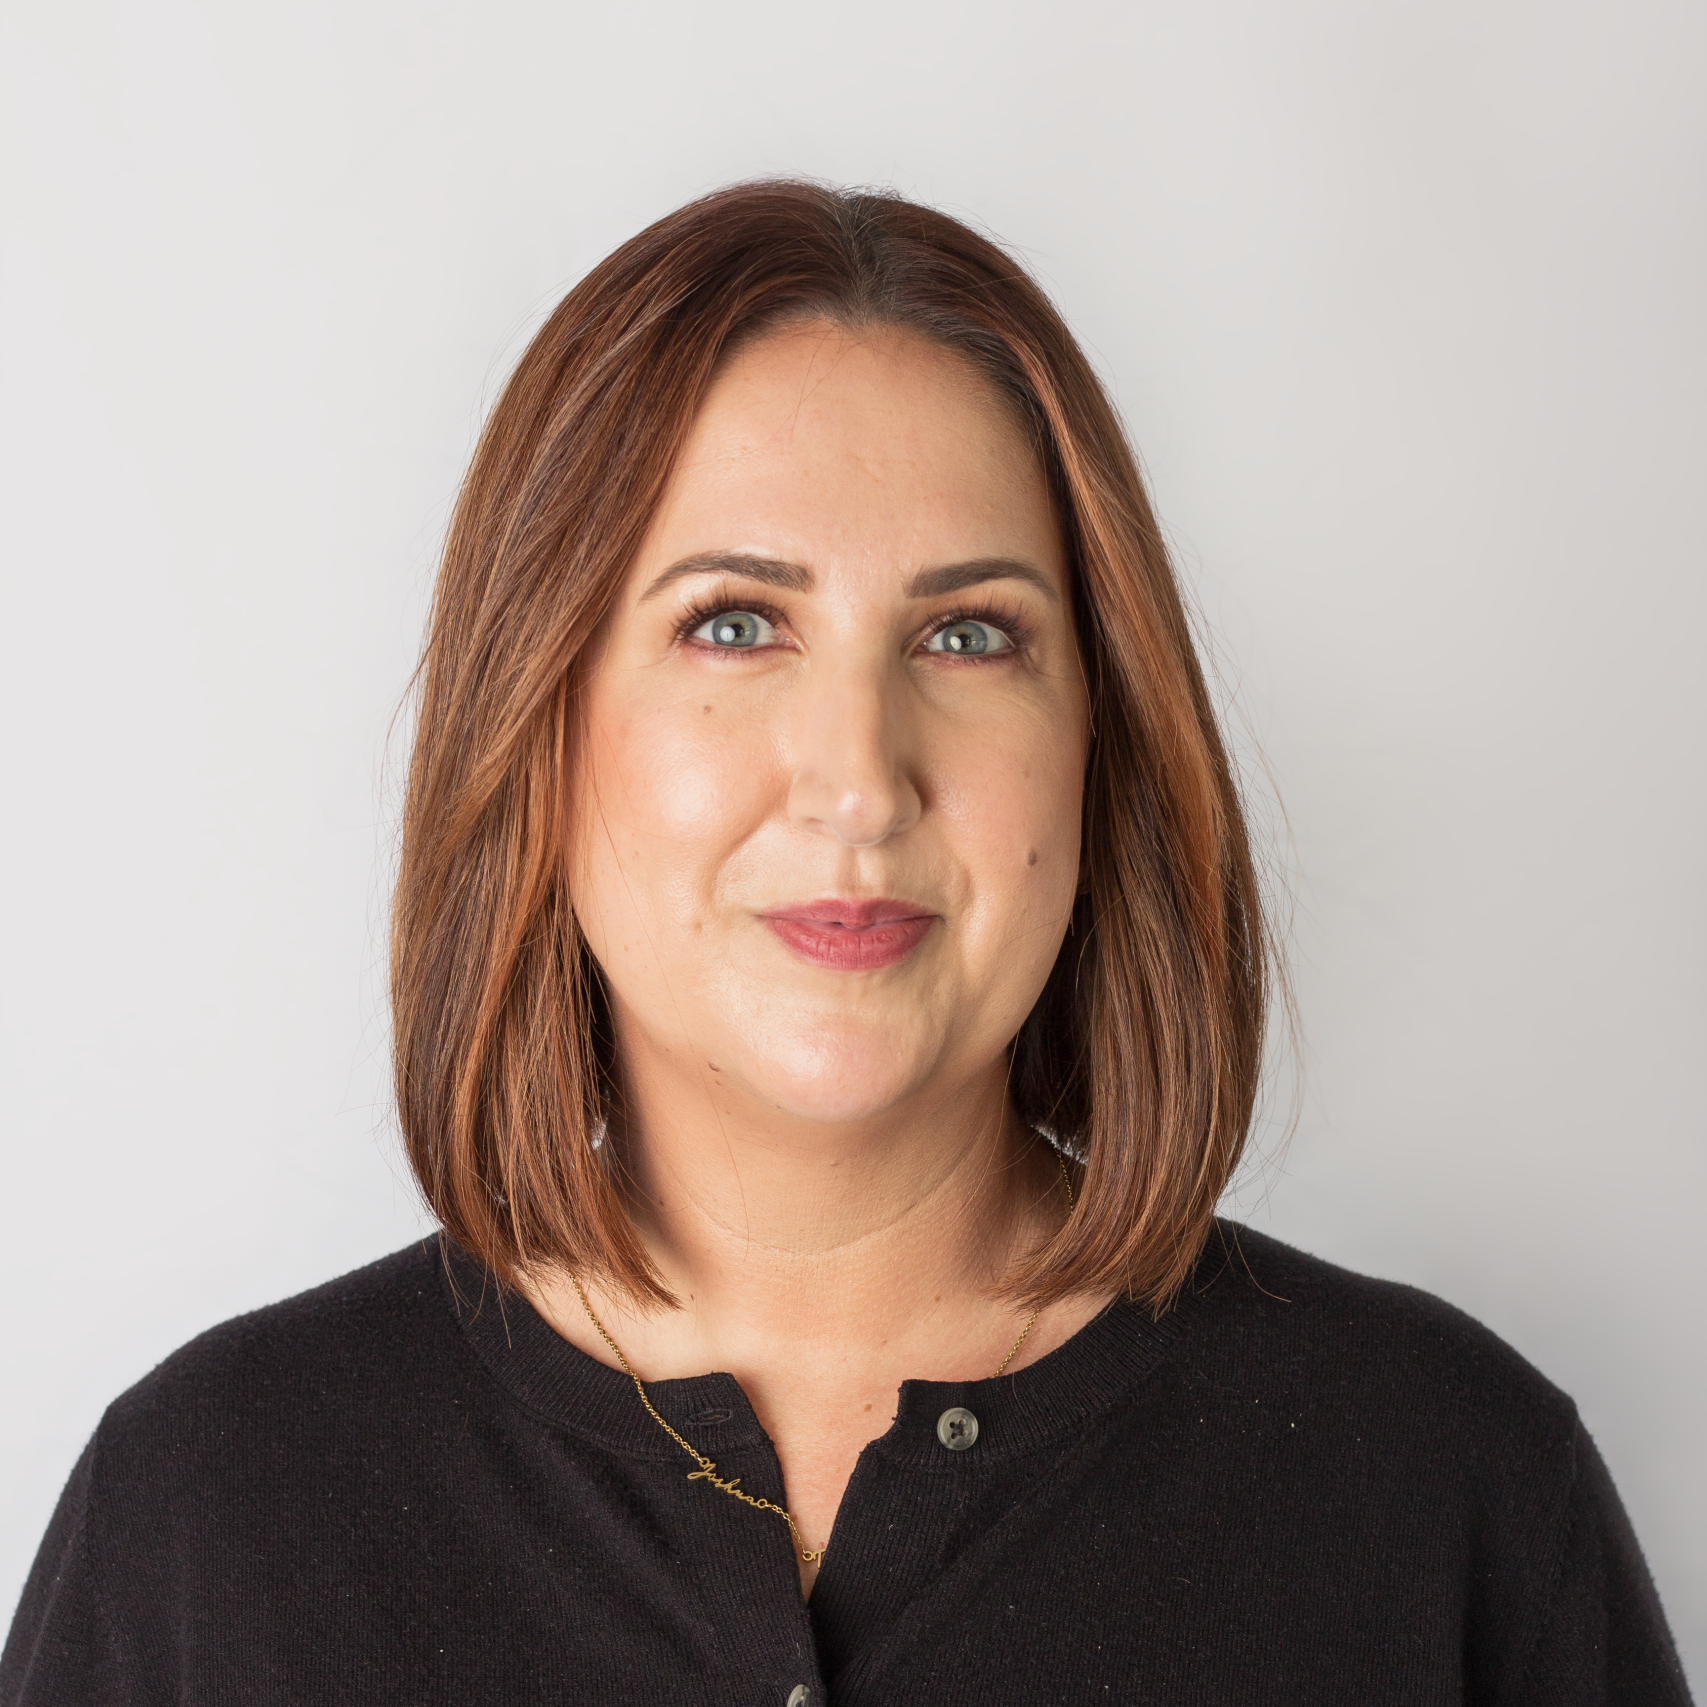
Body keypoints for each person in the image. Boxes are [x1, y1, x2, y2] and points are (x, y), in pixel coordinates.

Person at [1, 181, 1689, 1706]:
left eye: (967, 633)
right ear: (543, 723)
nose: (860, 778)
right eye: (733, 621)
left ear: (1099, 734)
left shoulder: (1448, 1493)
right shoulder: (209, 1515)